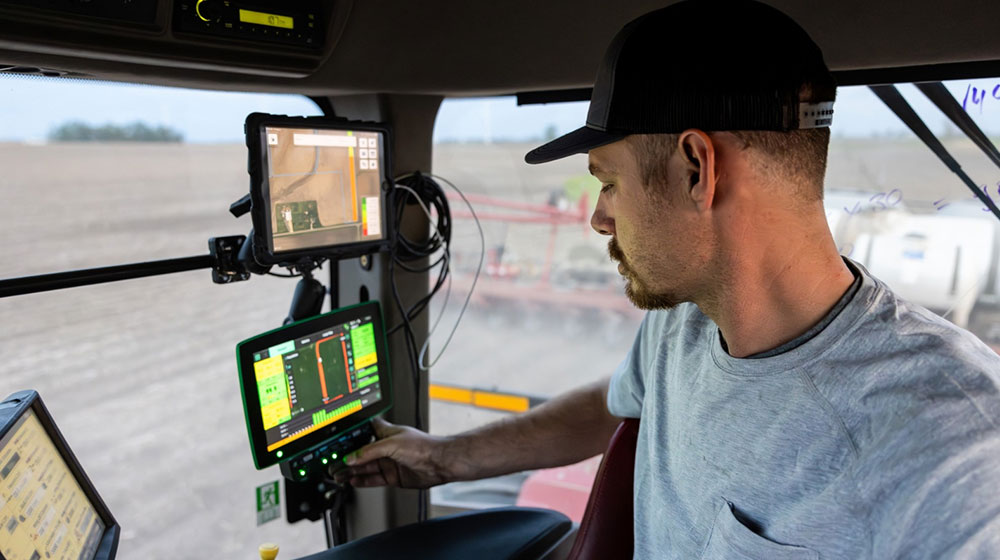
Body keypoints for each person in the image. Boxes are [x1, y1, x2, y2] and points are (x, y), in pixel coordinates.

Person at [336, 1, 1000, 558]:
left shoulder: (952, 458)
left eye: (608, 182)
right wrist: (444, 459)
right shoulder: (688, 321)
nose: (599, 219)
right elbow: (617, 404)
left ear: (694, 169)